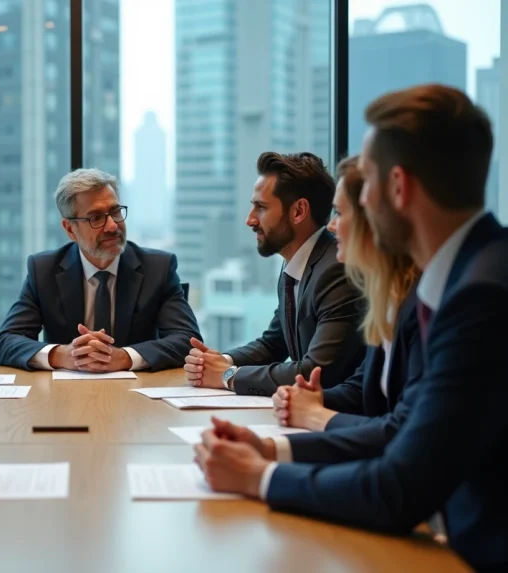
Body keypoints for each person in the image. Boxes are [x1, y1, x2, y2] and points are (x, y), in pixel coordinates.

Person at [193, 84, 508, 572]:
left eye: (366, 188)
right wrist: (271, 448)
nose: (338, 221)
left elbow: (399, 486)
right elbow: (402, 431)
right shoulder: (452, 281)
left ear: (398, 188)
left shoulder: (478, 296)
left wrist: (260, 477)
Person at [185, 152, 366, 396]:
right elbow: (273, 344)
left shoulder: (336, 270)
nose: (250, 220)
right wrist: (220, 361)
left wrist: (228, 375)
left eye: (260, 207)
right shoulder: (295, 264)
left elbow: (316, 371)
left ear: (299, 211)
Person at [0, 168, 201, 372]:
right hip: (65, 392)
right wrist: (62, 355)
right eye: (96, 218)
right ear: (70, 229)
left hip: (138, 390)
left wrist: (125, 357)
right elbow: (6, 342)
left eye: (115, 212)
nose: (112, 226)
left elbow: (188, 340)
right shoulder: (44, 270)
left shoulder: (158, 268)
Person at [272, 156, 422, 432]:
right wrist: (313, 399)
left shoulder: (420, 304)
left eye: (339, 213)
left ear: (374, 221)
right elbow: (363, 387)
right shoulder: (389, 295)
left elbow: (405, 430)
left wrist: (314, 415)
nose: (331, 226)